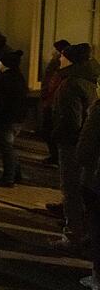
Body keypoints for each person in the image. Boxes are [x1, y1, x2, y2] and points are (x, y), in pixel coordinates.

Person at [52, 43, 98, 250]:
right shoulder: (89, 81)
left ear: (70, 61)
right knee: (83, 189)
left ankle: (72, 235)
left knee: (70, 188)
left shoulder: (70, 84)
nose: (59, 59)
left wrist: (57, 134)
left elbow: (71, 120)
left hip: (72, 145)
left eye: (62, 57)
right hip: (85, 143)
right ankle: (85, 230)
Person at [0, 50, 28, 187]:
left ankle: (9, 177)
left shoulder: (6, 79)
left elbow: (0, 101)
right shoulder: (17, 77)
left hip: (6, 119)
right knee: (9, 147)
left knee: (6, 148)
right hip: (14, 118)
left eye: (0, 61)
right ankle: (16, 174)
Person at [76, 79, 100, 290]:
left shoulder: (98, 112)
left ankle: (97, 276)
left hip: (97, 180)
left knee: (96, 226)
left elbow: (85, 149)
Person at [41, 39, 72, 166]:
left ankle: (56, 156)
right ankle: (54, 155)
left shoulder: (59, 68)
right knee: (48, 130)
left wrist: (46, 94)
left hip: (53, 103)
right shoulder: (55, 65)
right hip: (50, 102)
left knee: (49, 130)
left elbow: (51, 84)